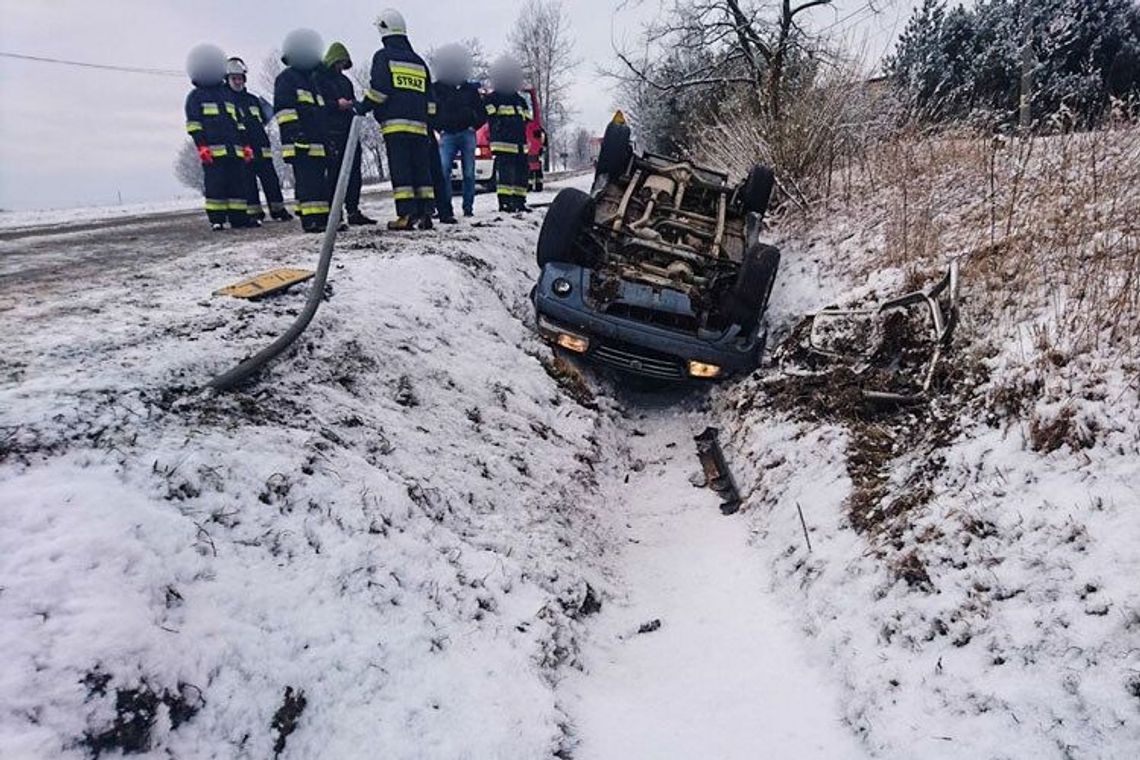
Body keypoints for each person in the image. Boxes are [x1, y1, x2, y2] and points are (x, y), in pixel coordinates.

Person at [361, 9, 437, 230]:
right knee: (421, 168)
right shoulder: (418, 61)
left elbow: (380, 92)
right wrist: (427, 121)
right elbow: (430, 100)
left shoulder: (383, 57)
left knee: (401, 169)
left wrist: (362, 107)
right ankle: (425, 214)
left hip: (396, 126)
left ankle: (405, 215)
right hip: (421, 127)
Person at [184, 43, 256, 230]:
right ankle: (217, 219)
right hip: (213, 153)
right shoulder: (195, 97)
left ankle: (239, 218)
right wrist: (201, 146)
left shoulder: (228, 95)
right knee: (215, 185)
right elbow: (194, 125)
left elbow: (239, 123)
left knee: (237, 185)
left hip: (236, 151)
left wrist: (246, 145)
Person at [274, 28, 331, 233]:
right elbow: (284, 111)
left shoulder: (313, 82)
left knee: (320, 183)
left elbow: (321, 114)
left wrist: (327, 140)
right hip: (300, 142)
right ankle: (311, 220)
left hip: (316, 142)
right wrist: (296, 134)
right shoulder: (286, 79)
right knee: (308, 182)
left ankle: (323, 218)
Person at [315, 42, 376, 226]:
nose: (341, 66)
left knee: (354, 172)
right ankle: (335, 213)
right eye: (339, 62)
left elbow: (352, 101)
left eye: (344, 63)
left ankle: (353, 210)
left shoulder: (345, 81)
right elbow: (318, 105)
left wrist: (355, 106)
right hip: (331, 132)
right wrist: (336, 104)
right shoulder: (319, 79)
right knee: (334, 173)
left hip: (349, 131)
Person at [225, 57, 292, 222]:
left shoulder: (253, 100)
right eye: (234, 78)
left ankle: (278, 210)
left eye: (240, 78)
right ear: (227, 80)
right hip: (243, 149)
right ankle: (254, 213)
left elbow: (265, 118)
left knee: (271, 180)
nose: (238, 81)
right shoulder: (226, 101)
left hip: (261, 146)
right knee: (248, 182)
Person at [431, 43, 485, 220]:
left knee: (469, 173)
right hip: (447, 135)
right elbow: (432, 109)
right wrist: (438, 128)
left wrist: (473, 126)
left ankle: (468, 208)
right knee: (444, 170)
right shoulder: (438, 88)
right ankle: (446, 208)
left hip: (467, 134)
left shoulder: (470, 89)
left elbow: (482, 112)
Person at [484, 56, 531, 213]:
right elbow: (489, 115)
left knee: (522, 175)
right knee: (506, 175)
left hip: (520, 145)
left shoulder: (520, 100)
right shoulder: (492, 98)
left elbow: (528, 119)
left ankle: (519, 202)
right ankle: (505, 203)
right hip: (504, 144)